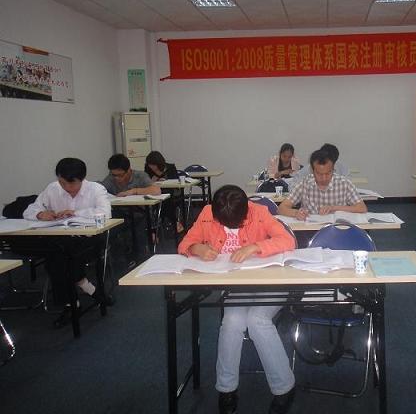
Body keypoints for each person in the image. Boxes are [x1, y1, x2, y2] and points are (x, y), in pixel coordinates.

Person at [178, 185, 296, 414]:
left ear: (246, 212)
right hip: (237, 286)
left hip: (270, 281)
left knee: (257, 321)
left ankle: (284, 388)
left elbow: (287, 241)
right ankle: (226, 388)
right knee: (231, 322)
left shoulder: (259, 212)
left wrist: (256, 247)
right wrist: (197, 248)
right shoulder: (207, 213)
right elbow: (185, 243)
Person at [23, 158, 113, 326]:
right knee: (57, 256)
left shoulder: (96, 189)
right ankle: (81, 293)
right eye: (62, 182)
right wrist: (40, 214)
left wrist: (75, 213)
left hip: (89, 239)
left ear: (82, 179)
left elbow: (105, 213)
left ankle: (74, 301)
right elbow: (30, 210)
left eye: (71, 184)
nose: (66, 187)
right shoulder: (53, 188)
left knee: (56, 258)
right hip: (60, 238)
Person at [101, 154, 161, 265]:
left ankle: (142, 260)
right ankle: (120, 263)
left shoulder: (140, 176)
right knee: (111, 231)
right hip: (120, 213)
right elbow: (101, 190)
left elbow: (156, 190)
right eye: (114, 175)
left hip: (140, 213)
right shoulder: (110, 178)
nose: (117, 178)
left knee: (138, 233)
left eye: (120, 175)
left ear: (128, 170)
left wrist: (134, 191)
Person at [279, 149, 366, 220]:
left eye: (328, 173)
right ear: (312, 170)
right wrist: (296, 213)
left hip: (337, 230)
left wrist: (334, 208)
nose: (324, 178)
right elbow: (282, 208)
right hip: (311, 231)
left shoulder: (344, 183)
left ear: (333, 169)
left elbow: (362, 208)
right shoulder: (305, 183)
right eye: (319, 174)